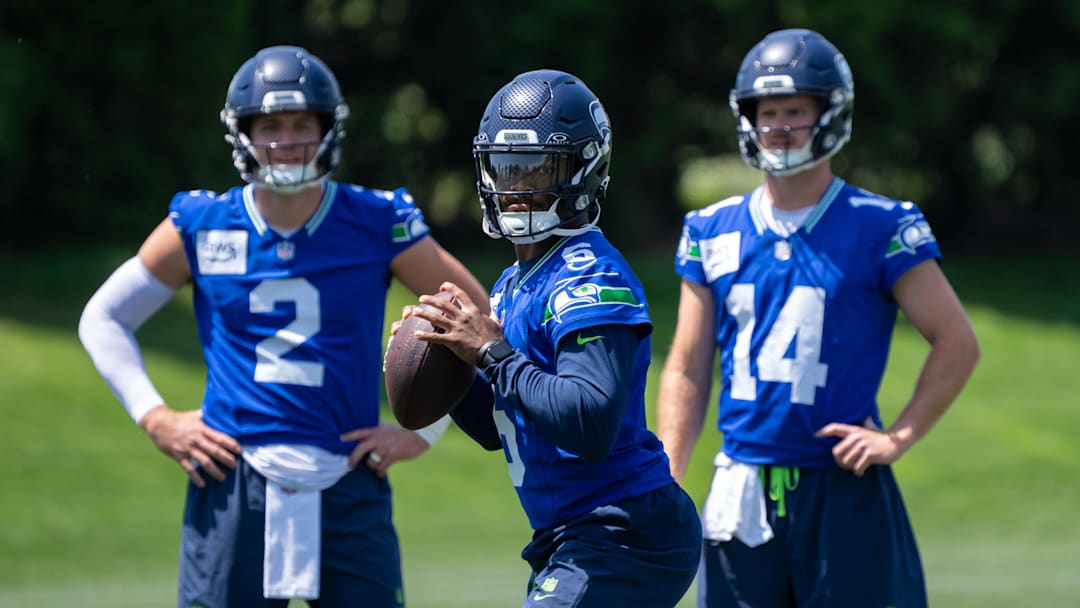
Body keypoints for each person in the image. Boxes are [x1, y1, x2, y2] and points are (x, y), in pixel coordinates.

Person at [78, 45, 488, 608]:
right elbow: (103, 318)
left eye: (302, 124)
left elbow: (473, 317)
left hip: (347, 475)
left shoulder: (377, 220)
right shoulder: (202, 223)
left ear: (328, 130)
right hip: (232, 476)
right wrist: (155, 417)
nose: (288, 140)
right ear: (243, 133)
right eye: (271, 125)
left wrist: (423, 430)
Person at [655, 28, 981, 607]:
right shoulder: (712, 229)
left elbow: (956, 340)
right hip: (743, 486)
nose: (779, 126)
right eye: (768, 111)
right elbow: (686, 365)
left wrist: (897, 437)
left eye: (795, 111)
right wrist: (671, 472)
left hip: (841, 488)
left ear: (829, 116)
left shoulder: (880, 225)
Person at [396, 69, 702, 607]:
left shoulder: (590, 277)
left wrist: (491, 352)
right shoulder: (514, 283)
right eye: (506, 170)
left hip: (626, 532)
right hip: (572, 535)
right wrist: (449, 361)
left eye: (540, 168)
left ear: (584, 171)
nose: (519, 189)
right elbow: (502, 429)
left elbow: (589, 423)